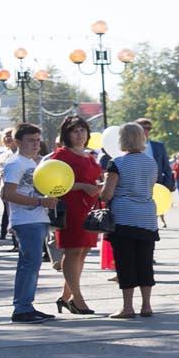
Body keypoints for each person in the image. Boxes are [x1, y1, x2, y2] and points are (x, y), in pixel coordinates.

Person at [99, 121, 160, 318]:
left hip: (124, 217)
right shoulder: (151, 162)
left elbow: (107, 194)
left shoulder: (117, 163)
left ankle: (127, 307)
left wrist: (99, 188)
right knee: (145, 261)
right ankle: (147, 305)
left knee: (125, 262)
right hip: (147, 217)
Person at [0, 122, 56, 322]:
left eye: (38, 140)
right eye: (31, 140)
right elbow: (8, 193)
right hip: (26, 220)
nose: (36, 144)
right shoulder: (16, 163)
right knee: (30, 264)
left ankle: (26, 305)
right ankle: (22, 308)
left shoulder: (31, 163)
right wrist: (41, 201)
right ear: (17, 141)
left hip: (36, 218)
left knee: (32, 264)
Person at [51, 115, 106, 315]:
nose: (79, 134)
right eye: (75, 130)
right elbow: (53, 185)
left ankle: (66, 297)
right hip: (71, 208)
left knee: (82, 252)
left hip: (90, 209)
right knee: (73, 251)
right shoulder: (61, 155)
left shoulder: (89, 156)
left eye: (82, 130)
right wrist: (81, 186)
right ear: (66, 134)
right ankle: (77, 298)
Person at [139, 117, 174, 196]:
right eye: (143, 128)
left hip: (157, 187)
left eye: (148, 128)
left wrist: (166, 186)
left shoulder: (159, 146)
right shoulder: (129, 148)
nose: (146, 131)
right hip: (137, 188)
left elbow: (167, 168)